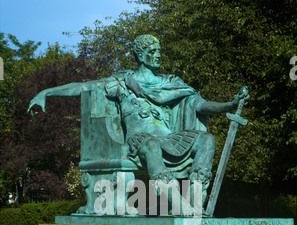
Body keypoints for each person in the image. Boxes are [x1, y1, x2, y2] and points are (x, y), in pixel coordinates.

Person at [28, 34, 249, 209]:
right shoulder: (123, 82)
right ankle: (179, 205)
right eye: (153, 52)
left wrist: (229, 104)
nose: (159, 55)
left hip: (169, 139)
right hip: (139, 141)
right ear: (141, 56)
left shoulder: (170, 83)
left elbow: (200, 104)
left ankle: (196, 198)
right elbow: (85, 86)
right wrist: (47, 93)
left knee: (206, 139)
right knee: (151, 144)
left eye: (159, 51)